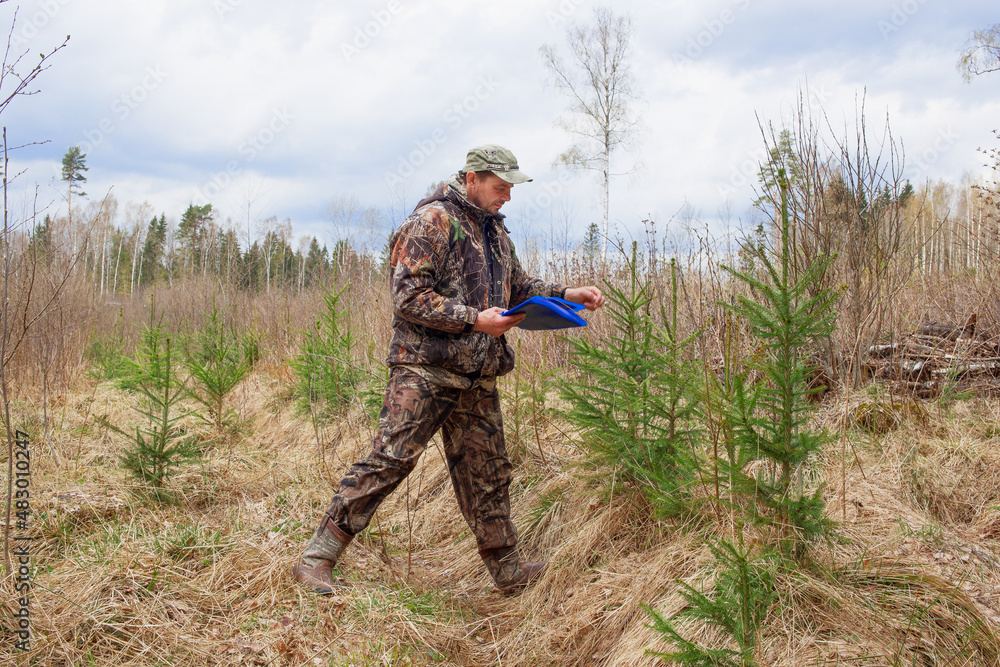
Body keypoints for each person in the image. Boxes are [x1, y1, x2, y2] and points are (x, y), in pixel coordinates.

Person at [292, 144, 605, 595]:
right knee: (390, 460)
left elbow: (520, 286)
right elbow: (408, 297)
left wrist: (566, 293)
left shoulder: (495, 232)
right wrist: (475, 319)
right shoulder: (432, 221)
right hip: (425, 369)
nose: (508, 198)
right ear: (473, 178)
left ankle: (509, 572)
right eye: (500, 188)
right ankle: (317, 557)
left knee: (489, 471)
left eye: (511, 189)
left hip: (478, 373)